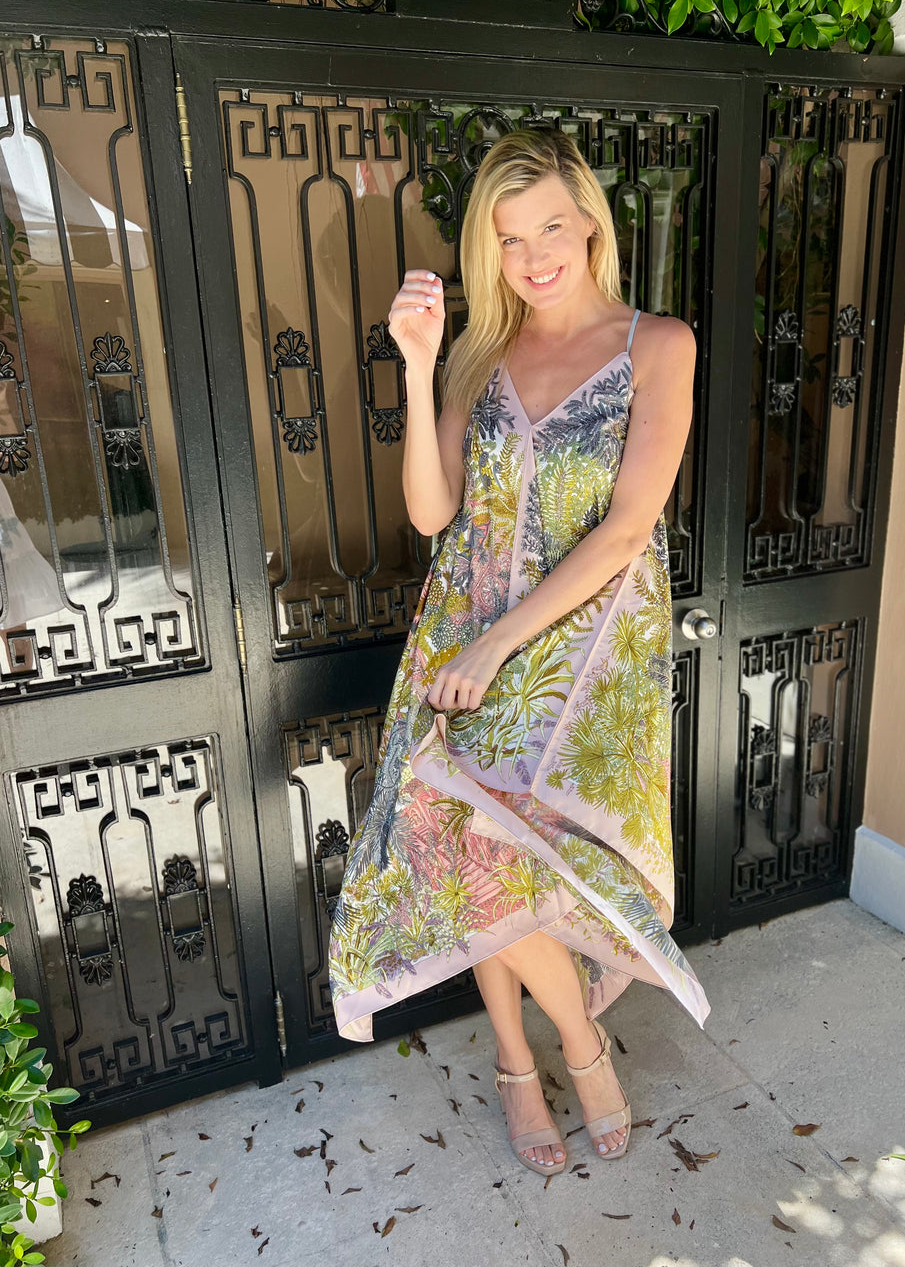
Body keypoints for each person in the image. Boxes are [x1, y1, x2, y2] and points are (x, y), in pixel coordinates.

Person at [328, 127, 711, 1175]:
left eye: (549, 226)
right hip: (461, 633)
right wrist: (419, 368)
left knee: (509, 849)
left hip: (578, 655)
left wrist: (498, 648)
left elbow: (627, 530)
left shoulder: (658, 346)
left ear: (589, 222)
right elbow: (431, 511)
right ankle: (541, 1054)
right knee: (467, 844)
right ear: (486, 251)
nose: (534, 255)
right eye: (508, 238)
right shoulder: (480, 355)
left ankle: (552, 1053)